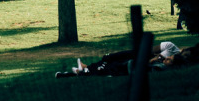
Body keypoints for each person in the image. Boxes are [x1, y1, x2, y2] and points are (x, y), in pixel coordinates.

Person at [55, 41, 184, 78]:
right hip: (138, 58)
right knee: (109, 60)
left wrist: (153, 60)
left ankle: (85, 70)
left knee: (110, 66)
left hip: (136, 63)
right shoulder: (171, 48)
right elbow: (152, 51)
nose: (168, 59)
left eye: (170, 59)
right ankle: (85, 68)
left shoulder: (167, 65)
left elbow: (152, 63)